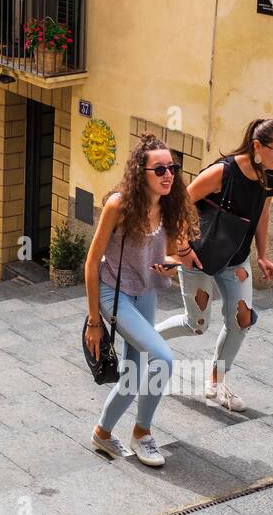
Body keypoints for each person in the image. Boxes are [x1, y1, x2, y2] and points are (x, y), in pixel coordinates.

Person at [157, 117, 273, 413]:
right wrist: (181, 247)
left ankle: (215, 383)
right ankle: (148, 340)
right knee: (197, 325)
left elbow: (263, 213)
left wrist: (262, 254)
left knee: (241, 321)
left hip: (236, 258)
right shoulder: (224, 171)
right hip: (199, 254)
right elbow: (181, 204)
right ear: (257, 145)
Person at [85, 135, 199, 468]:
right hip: (113, 293)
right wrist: (94, 322)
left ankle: (103, 434)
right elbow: (92, 263)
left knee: (133, 373)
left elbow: (170, 252)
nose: (168, 175)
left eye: (172, 168)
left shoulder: (169, 205)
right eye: (160, 169)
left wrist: (169, 263)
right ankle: (142, 432)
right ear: (141, 172)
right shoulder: (118, 206)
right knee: (163, 357)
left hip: (147, 289)